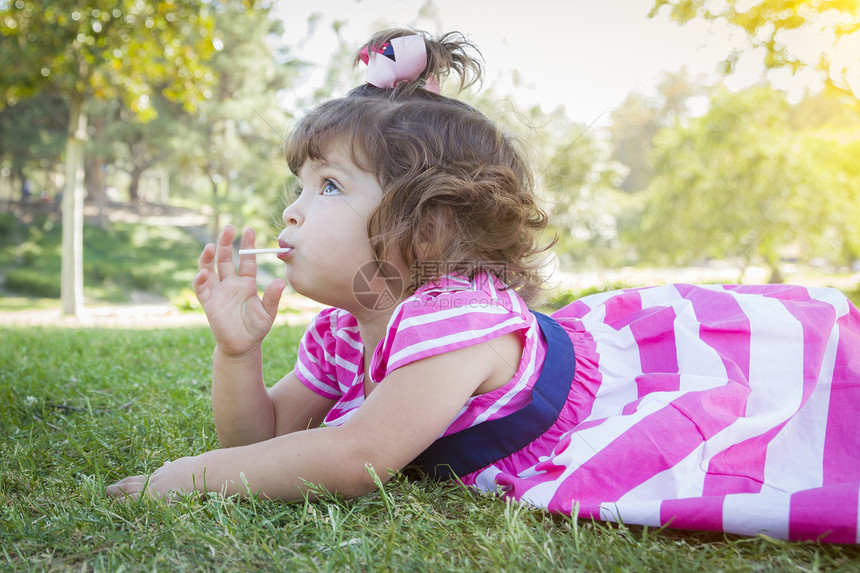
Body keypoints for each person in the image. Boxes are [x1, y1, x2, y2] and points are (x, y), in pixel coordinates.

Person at [107, 28, 860, 544]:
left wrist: (183, 479)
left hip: (612, 406)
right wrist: (237, 355)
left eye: (329, 187)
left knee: (783, 413)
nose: (293, 209)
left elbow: (353, 458)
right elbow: (264, 445)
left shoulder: (450, 315)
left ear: (425, 230)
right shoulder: (343, 330)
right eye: (297, 185)